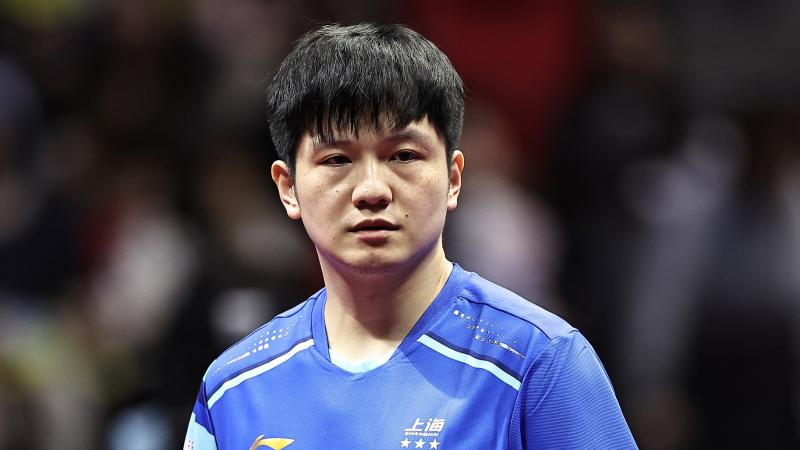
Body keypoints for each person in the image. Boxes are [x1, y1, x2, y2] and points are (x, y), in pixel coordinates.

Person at [184, 23, 636, 449]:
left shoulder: (539, 364)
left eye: (402, 155)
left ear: (453, 178)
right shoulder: (232, 390)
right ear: (288, 188)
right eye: (337, 160)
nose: (372, 190)